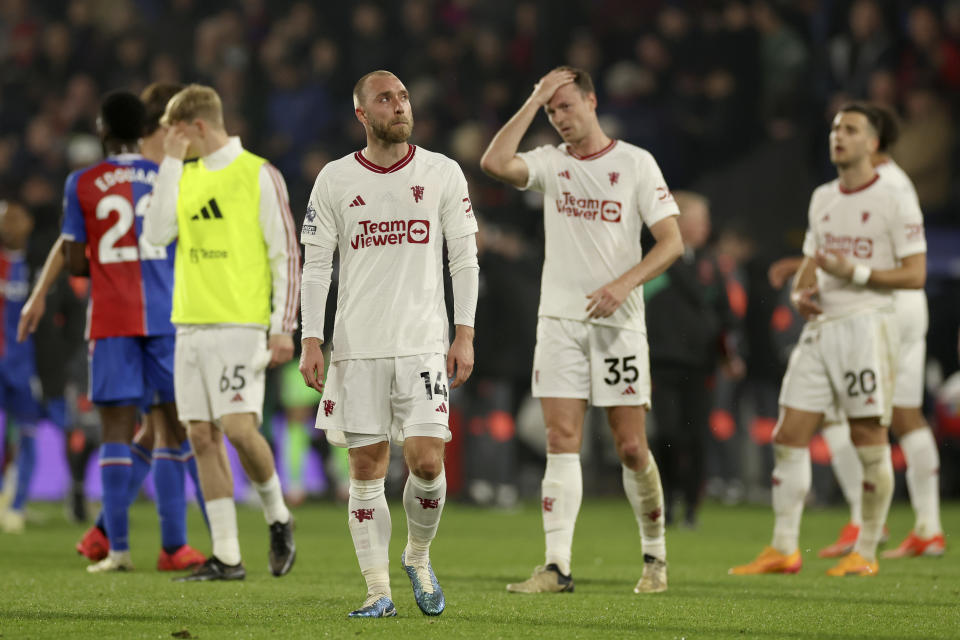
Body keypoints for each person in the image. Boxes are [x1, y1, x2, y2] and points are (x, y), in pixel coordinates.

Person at [480, 66, 683, 594]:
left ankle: (655, 557)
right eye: (552, 111)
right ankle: (556, 567)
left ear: (593, 101)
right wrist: (533, 97)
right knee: (559, 439)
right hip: (559, 322)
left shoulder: (636, 163)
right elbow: (494, 162)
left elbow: (671, 242)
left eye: (567, 105)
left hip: (619, 324)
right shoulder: (551, 164)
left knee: (631, 448)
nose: (559, 117)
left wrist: (624, 283)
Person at [299, 70, 478, 618]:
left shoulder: (442, 172)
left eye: (403, 96)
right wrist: (311, 338)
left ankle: (418, 556)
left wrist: (464, 332)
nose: (399, 105)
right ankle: (378, 590)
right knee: (366, 468)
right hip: (357, 347)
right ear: (361, 114)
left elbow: (463, 258)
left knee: (426, 463)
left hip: (423, 343)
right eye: (385, 99)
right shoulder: (334, 179)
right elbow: (317, 266)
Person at [730, 102, 926, 577]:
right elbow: (813, 259)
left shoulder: (895, 196)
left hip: (866, 326)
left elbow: (915, 274)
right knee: (788, 433)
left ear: (872, 143)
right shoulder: (823, 197)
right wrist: (800, 291)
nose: (838, 136)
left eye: (851, 129)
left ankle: (866, 550)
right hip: (821, 331)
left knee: (867, 437)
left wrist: (853, 272)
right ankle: (784, 548)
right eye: (836, 128)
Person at [20, 84, 208, 568]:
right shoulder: (169, 176)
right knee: (170, 428)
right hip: (167, 316)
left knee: (116, 432)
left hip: (111, 318)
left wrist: (83, 272)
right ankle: (175, 546)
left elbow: (77, 257)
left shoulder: (81, 182)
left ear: (102, 130)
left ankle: (118, 550)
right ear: (144, 129)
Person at [144, 84, 299, 581]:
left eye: (174, 133)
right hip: (190, 323)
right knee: (201, 436)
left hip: (240, 324)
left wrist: (283, 327)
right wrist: (169, 166)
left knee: (237, 429)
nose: (169, 141)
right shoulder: (181, 176)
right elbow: (155, 234)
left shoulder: (257, 173)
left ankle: (277, 514)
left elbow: (286, 254)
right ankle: (228, 555)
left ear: (198, 126)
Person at [645, 191, 743, 528]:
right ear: (678, 221)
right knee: (667, 433)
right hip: (663, 361)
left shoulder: (710, 263)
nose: (706, 227)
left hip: (701, 364)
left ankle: (691, 505)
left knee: (697, 435)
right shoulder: (653, 257)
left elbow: (724, 315)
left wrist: (728, 354)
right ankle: (667, 500)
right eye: (699, 220)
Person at [0, 200, 41, 534]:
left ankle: (15, 503)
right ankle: (11, 502)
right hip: (13, 365)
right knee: (18, 435)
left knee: (26, 436)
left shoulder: (36, 267)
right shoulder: (19, 268)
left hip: (25, 366)